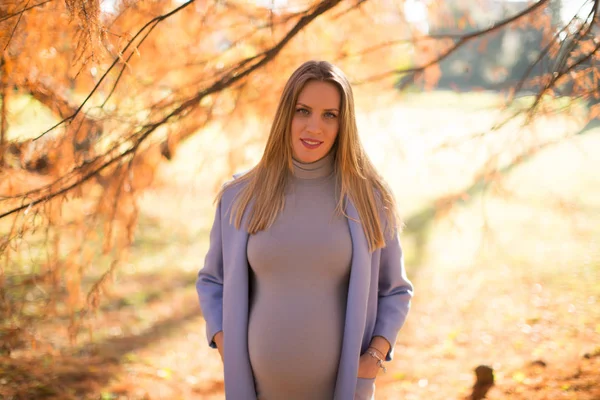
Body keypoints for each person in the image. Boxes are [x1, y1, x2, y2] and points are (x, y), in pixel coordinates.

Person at [196, 60, 413, 400]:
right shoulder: (239, 196)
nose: (315, 127)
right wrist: (226, 345)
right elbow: (213, 280)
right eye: (303, 111)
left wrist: (373, 358)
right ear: (286, 114)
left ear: (345, 123)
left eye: (330, 115)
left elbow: (395, 290)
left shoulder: (370, 199)